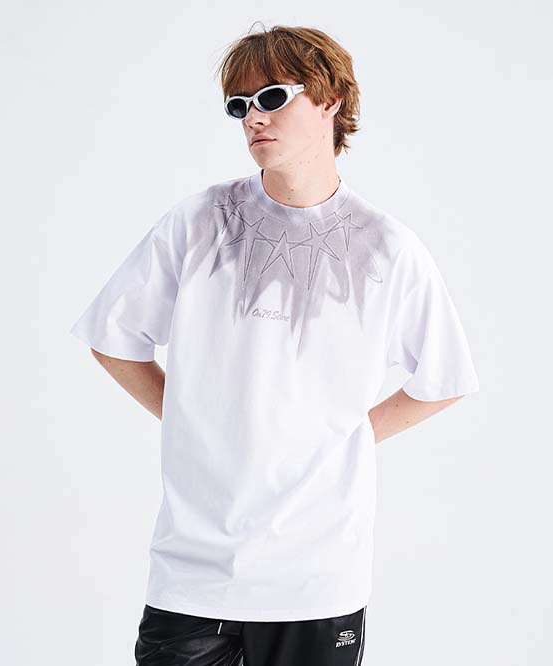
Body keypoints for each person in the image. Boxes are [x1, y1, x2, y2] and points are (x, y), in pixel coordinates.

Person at [70, 23, 480, 666]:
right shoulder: (200, 222)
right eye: (239, 105)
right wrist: (192, 417)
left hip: (319, 574)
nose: (252, 118)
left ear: (330, 100)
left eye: (271, 97)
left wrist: (344, 437)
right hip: (194, 570)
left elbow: (444, 379)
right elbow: (114, 338)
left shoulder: (386, 247)